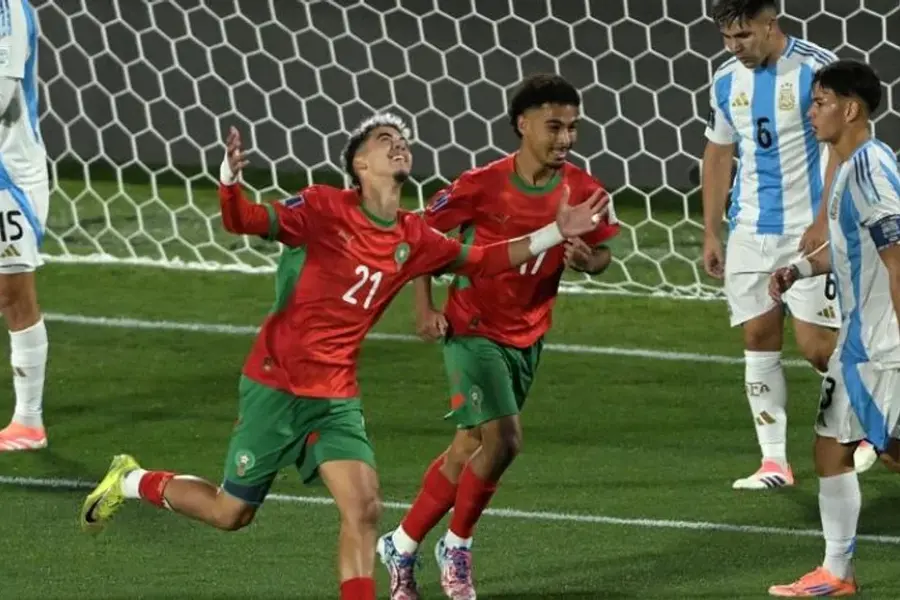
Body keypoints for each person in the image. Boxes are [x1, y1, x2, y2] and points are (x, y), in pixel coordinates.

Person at [78, 115, 607, 600]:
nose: (399, 145)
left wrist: (555, 232)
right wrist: (228, 179)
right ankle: (130, 479)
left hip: (334, 396)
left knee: (364, 507)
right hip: (276, 387)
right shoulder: (320, 207)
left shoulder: (413, 235)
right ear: (359, 164)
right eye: (385, 141)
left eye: (402, 141)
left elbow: (486, 259)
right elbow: (242, 220)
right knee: (231, 512)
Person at [377, 74, 620, 600]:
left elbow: (603, 254)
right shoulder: (480, 185)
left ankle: (401, 542)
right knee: (505, 441)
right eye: (554, 126)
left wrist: (588, 261)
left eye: (573, 128)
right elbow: (420, 238)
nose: (565, 138)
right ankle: (457, 548)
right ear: (522, 125)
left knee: (469, 447)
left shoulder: (584, 189)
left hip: (528, 334)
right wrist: (424, 308)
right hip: (472, 327)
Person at [702, 0, 876, 490]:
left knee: (820, 349)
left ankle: (871, 423)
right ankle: (774, 461)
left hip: (808, 229)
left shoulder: (817, 71)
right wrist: (712, 229)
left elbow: (845, 144)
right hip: (751, 228)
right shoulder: (724, 80)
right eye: (727, 38)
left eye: (744, 36)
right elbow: (718, 151)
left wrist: (824, 219)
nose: (736, 47)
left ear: (769, 24)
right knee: (757, 336)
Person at [767, 59, 900, 597]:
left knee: (891, 454)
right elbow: (851, 251)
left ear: (850, 109)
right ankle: (836, 572)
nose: (810, 110)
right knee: (830, 448)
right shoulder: (850, 168)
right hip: (857, 344)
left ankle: (837, 571)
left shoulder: (870, 168)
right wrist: (799, 269)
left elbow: (896, 257)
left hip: (882, 346)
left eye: (820, 102)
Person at [0, 0, 51, 452]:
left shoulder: (7, 10)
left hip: (9, 179)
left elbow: (1, 94)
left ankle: (28, 421)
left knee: (12, 294)